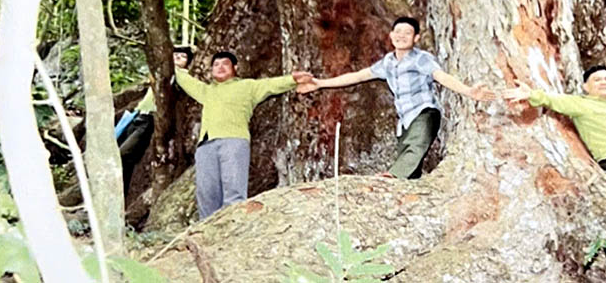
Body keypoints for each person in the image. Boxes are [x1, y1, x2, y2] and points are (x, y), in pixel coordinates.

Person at [300, 17, 496, 179]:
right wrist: (320, 83)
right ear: (391, 35)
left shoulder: (421, 59)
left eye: (407, 33)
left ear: (416, 38)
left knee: (415, 146)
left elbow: (441, 77)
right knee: (408, 158)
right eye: (398, 32)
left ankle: (393, 176)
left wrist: (469, 91)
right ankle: (407, 187)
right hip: (405, 121)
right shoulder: (388, 62)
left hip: (424, 112)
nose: (401, 36)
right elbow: (358, 76)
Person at [174, 50, 314, 219]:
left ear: (235, 67)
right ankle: (206, 234)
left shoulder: (248, 86)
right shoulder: (206, 90)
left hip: (234, 141)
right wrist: (173, 65)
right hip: (206, 144)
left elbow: (271, 84)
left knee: (234, 191)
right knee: (206, 193)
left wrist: (293, 79)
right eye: (216, 65)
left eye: (225, 64)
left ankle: (232, 229)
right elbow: (185, 80)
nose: (220, 67)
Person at [118, 46, 193, 193]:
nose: (177, 58)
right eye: (175, 55)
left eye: (182, 56)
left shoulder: (181, 75)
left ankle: (121, 193)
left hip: (150, 119)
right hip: (138, 115)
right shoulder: (162, 72)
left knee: (124, 154)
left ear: (188, 62)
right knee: (122, 156)